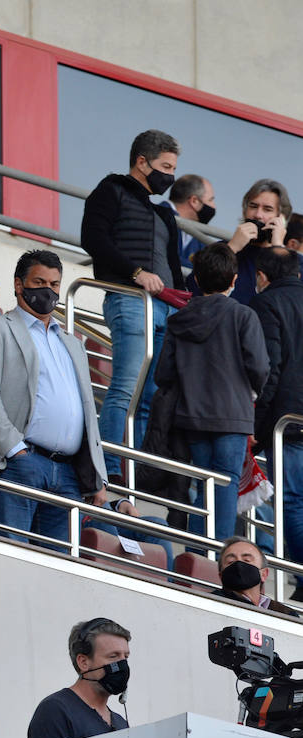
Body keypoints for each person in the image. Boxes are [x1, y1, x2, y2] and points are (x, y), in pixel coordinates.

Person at [0, 250, 147, 548]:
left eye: (54, 284)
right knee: (10, 555)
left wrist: (98, 475)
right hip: (20, 464)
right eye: (39, 281)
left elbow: (87, 413)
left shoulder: (72, 344)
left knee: (59, 568)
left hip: (68, 474)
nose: (47, 290)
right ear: (19, 285)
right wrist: (16, 451)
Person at [80, 129, 184, 483]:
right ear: (142, 162)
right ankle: (108, 466)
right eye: (165, 166)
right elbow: (93, 239)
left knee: (151, 398)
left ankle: (136, 473)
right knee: (126, 386)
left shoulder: (165, 216)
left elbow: (175, 274)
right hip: (130, 299)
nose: (170, 176)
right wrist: (137, 272)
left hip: (165, 311)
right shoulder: (111, 190)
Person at [155, 241, 268, 542]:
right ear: (234, 280)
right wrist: (253, 394)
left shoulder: (178, 320)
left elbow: (162, 374)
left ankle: (196, 553)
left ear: (198, 278)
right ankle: (217, 556)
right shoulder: (243, 316)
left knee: (203, 483)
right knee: (226, 484)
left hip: (191, 417)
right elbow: (259, 367)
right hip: (233, 417)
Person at [250, 246, 303, 587]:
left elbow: (269, 369)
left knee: (292, 502)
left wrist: (257, 425)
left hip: (289, 423)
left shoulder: (267, 303)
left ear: (262, 276)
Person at [27, 618, 130, 738]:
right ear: (83, 662)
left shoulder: (121, 723)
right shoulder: (56, 711)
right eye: (113, 656)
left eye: (125, 657)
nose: (122, 665)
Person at [222, 178, 291, 304]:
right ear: (244, 211)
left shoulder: (295, 262)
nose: (258, 215)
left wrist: (278, 247)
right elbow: (195, 287)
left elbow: (291, 304)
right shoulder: (222, 248)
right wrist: (231, 248)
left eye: (267, 209)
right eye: (253, 206)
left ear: (282, 218)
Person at [214, 536, 298, 616]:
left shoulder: (286, 614)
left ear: (264, 574)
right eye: (231, 561)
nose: (238, 564)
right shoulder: (212, 603)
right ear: (221, 576)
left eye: (247, 560)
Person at [167, 173, 214, 267]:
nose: (214, 206)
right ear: (194, 201)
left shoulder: (199, 237)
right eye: (211, 200)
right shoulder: (157, 218)